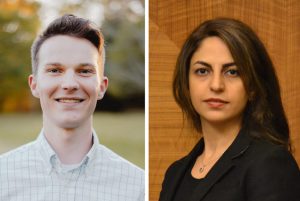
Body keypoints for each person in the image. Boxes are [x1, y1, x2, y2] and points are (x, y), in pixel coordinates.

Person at [0, 14, 144, 201]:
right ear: (34, 84)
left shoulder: (138, 188)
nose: (69, 84)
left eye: (84, 71)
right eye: (54, 70)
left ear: (102, 87)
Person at [159, 18, 300, 201]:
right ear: (187, 84)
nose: (216, 85)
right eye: (203, 71)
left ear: (252, 87)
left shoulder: (270, 164)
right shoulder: (175, 174)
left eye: (232, 72)